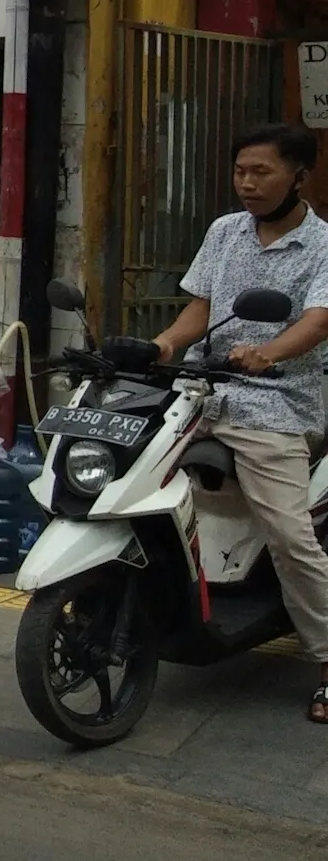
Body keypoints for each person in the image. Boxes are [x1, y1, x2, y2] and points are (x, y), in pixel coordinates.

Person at [149, 121, 328, 723]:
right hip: (200, 392)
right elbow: (201, 307)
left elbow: (318, 321)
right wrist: (165, 346)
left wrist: (268, 352)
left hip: (274, 402)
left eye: (261, 172)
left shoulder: (325, 246)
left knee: (289, 534)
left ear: (299, 176)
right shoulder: (225, 232)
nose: (246, 184)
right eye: (240, 171)